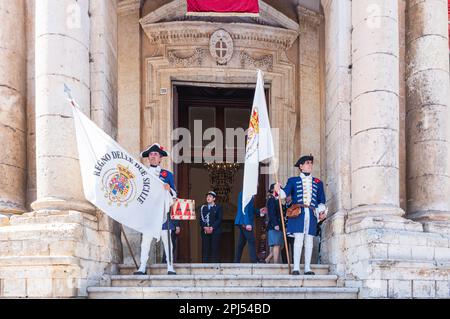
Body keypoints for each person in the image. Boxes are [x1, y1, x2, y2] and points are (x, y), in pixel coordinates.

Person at [274, 155, 327, 276]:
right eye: (307, 163)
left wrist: (322, 212)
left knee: (309, 241)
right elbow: (283, 195)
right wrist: (277, 189)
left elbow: (321, 200)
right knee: (298, 240)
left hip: (312, 213)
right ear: (301, 166)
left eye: (311, 163)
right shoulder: (293, 180)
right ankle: (296, 267)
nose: (310, 165)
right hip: (298, 213)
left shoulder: (318, 182)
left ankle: (307, 268)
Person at [134, 143, 178, 275]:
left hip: (163, 213)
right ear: (148, 158)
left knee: (167, 241)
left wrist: (168, 189)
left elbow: (174, 195)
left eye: (156, 154)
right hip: (149, 213)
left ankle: (170, 266)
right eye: (151, 154)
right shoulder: (142, 173)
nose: (153, 156)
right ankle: (142, 267)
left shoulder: (167, 174)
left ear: (160, 158)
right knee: (146, 241)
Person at [234, 192, 260, 263]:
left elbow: (250, 209)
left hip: (243, 221)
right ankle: (254, 261)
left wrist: (259, 211)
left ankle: (236, 261)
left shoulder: (249, 194)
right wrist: (247, 223)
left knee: (241, 243)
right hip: (243, 222)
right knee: (251, 240)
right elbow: (244, 209)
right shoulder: (245, 193)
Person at [199, 191, 223, 263]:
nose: (208, 198)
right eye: (207, 196)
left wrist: (212, 227)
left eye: (210, 196)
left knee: (215, 248)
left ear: (214, 199)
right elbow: (201, 219)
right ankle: (205, 264)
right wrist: (205, 227)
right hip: (205, 231)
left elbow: (219, 219)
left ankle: (215, 263)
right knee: (206, 248)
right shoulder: (203, 207)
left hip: (215, 231)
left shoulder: (218, 207)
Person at [264, 184, 284, 264]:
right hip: (274, 226)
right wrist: (275, 224)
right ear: (273, 190)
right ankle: (275, 263)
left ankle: (267, 260)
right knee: (276, 245)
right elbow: (272, 214)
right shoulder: (272, 200)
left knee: (278, 245)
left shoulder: (277, 200)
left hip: (278, 225)